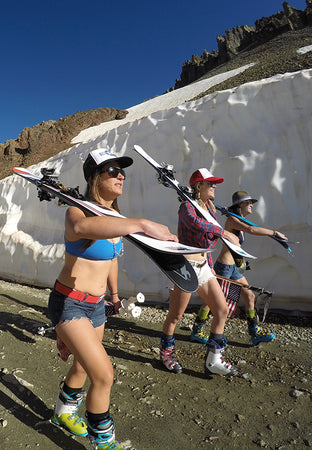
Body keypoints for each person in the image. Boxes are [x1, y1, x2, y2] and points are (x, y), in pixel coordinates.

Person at [48, 148, 178, 450]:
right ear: (95, 177)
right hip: (69, 302)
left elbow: (112, 260)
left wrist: (115, 296)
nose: (121, 175)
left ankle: (63, 412)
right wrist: (142, 224)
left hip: (96, 306)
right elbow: (81, 229)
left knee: (83, 366)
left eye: (123, 171)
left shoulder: (116, 218)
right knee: (104, 376)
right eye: (112, 170)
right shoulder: (76, 211)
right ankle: (103, 442)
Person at [159, 168, 241, 376]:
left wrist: (211, 265)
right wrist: (222, 231)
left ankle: (214, 359)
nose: (214, 186)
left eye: (214, 183)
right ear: (198, 186)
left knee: (221, 310)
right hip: (185, 267)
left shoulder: (210, 209)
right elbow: (196, 224)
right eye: (210, 183)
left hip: (203, 266)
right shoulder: (186, 206)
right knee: (176, 316)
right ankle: (166, 353)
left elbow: (207, 242)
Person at [190, 190, 286, 346]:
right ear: (239, 205)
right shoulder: (232, 220)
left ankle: (254, 331)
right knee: (211, 301)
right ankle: (197, 330)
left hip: (234, 268)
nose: (251, 205)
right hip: (224, 268)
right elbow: (252, 230)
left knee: (250, 297)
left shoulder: (240, 221)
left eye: (251, 203)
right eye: (248, 202)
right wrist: (274, 233)